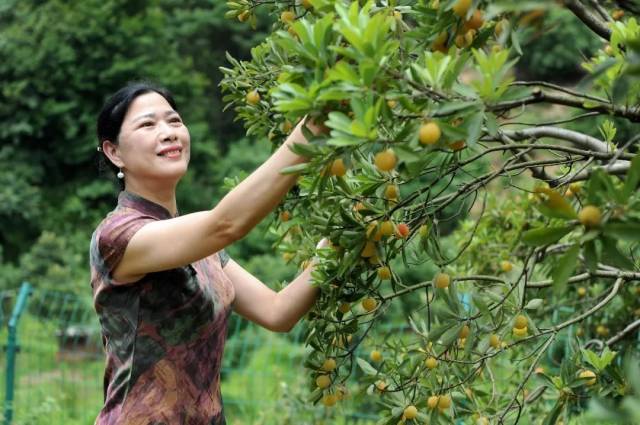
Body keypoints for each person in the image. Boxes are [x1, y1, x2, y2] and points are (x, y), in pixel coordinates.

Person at [90, 82, 327, 424]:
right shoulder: (117, 235)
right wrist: (312, 129)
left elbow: (278, 312)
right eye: (148, 124)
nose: (168, 132)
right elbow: (225, 224)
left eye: (174, 121)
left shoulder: (202, 250)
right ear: (114, 152)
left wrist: (335, 242)